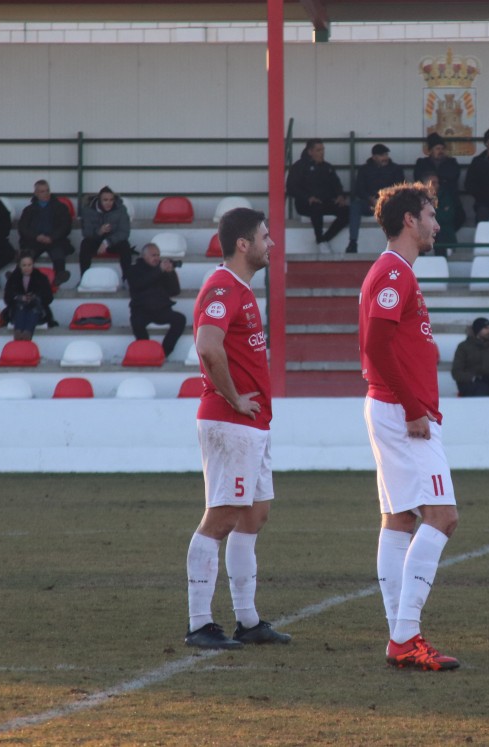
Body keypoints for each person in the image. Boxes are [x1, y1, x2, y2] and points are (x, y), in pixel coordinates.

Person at [358, 181, 460, 671]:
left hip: (394, 408)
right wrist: (414, 408)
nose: (436, 224)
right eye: (429, 214)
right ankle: (405, 636)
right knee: (442, 517)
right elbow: (376, 345)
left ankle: (400, 634)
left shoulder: (394, 272)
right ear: (409, 221)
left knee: (399, 519)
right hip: (405, 414)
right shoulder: (395, 273)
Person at [184, 206, 292, 649]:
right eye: (265, 237)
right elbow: (208, 347)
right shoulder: (223, 287)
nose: (271, 244)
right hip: (231, 422)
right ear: (244, 244)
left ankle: (247, 621)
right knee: (223, 517)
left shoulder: (240, 289)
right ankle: (199, 624)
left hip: (251, 424)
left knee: (254, 514)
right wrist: (233, 397)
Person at [286, 138, 350, 251]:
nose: (322, 153)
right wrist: (307, 197)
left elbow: (337, 184)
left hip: (326, 202)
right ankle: (319, 239)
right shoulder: (299, 166)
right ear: (310, 151)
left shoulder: (327, 167)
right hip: (305, 203)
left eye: (323, 150)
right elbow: (291, 187)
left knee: (347, 211)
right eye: (318, 150)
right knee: (316, 208)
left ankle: (325, 239)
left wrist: (340, 196)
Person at [128, 242, 186, 357]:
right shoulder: (134, 270)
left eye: (158, 255)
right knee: (136, 323)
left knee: (180, 319)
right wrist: (159, 271)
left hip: (161, 309)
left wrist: (171, 273)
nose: (157, 258)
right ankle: (146, 352)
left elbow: (175, 291)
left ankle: (164, 353)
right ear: (144, 256)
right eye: (153, 255)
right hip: (141, 310)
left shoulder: (162, 269)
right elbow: (139, 284)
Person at [345, 143, 405, 254]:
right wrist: (370, 199)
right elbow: (359, 189)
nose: (385, 158)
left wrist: (385, 199)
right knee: (355, 206)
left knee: (400, 209)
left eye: (386, 154)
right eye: (382, 155)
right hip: (370, 203)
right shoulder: (364, 169)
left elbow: (400, 189)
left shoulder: (396, 169)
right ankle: (353, 242)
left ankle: (396, 245)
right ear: (374, 157)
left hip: (389, 204)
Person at [17, 179, 74, 286]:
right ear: (36, 193)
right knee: (27, 256)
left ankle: (59, 276)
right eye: (42, 191)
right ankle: (17, 276)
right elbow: (23, 228)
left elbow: (65, 226)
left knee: (58, 253)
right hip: (34, 240)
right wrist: (36, 236)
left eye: (47, 190)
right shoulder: (29, 210)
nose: (46, 193)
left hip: (55, 240)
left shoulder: (61, 208)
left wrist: (52, 237)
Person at [413, 132, 465, 233]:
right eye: (437, 148)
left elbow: (453, 177)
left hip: (449, 198)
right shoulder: (422, 163)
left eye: (442, 148)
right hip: (426, 199)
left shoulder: (452, 162)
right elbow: (419, 181)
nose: (440, 151)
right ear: (430, 150)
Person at [78, 185, 133, 278]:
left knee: (125, 246)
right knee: (85, 244)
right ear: (99, 200)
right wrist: (99, 231)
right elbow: (86, 232)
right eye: (105, 200)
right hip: (95, 240)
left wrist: (107, 242)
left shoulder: (121, 209)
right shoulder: (88, 210)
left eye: (111, 200)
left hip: (113, 242)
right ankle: (85, 278)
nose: (109, 203)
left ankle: (127, 279)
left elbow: (124, 232)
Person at [451, 317, 489, 397]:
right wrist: (474, 378)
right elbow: (456, 372)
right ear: (477, 330)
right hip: (469, 383)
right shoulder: (463, 347)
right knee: (482, 390)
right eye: (486, 328)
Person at [2, 253, 54, 341]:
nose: (27, 268)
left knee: (34, 309)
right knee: (20, 307)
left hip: (38, 308)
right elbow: (8, 296)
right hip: (17, 308)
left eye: (29, 265)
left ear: (33, 265)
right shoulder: (13, 278)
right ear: (19, 266)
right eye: (24, 265)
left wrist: (35, 297)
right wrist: (19, 297)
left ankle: (27, 333)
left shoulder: (41, 278)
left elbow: (48, 297)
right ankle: (18, 332)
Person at [414, 170, 458, 256]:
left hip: (442, 234)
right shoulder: (415, 198)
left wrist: (427, 214)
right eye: (433, 183)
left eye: (437, 182)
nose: (437, 185)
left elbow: (448, 216)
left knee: (438, 231)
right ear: (424, 184)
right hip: (422, 232)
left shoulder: (445, 196)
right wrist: (436, 212)